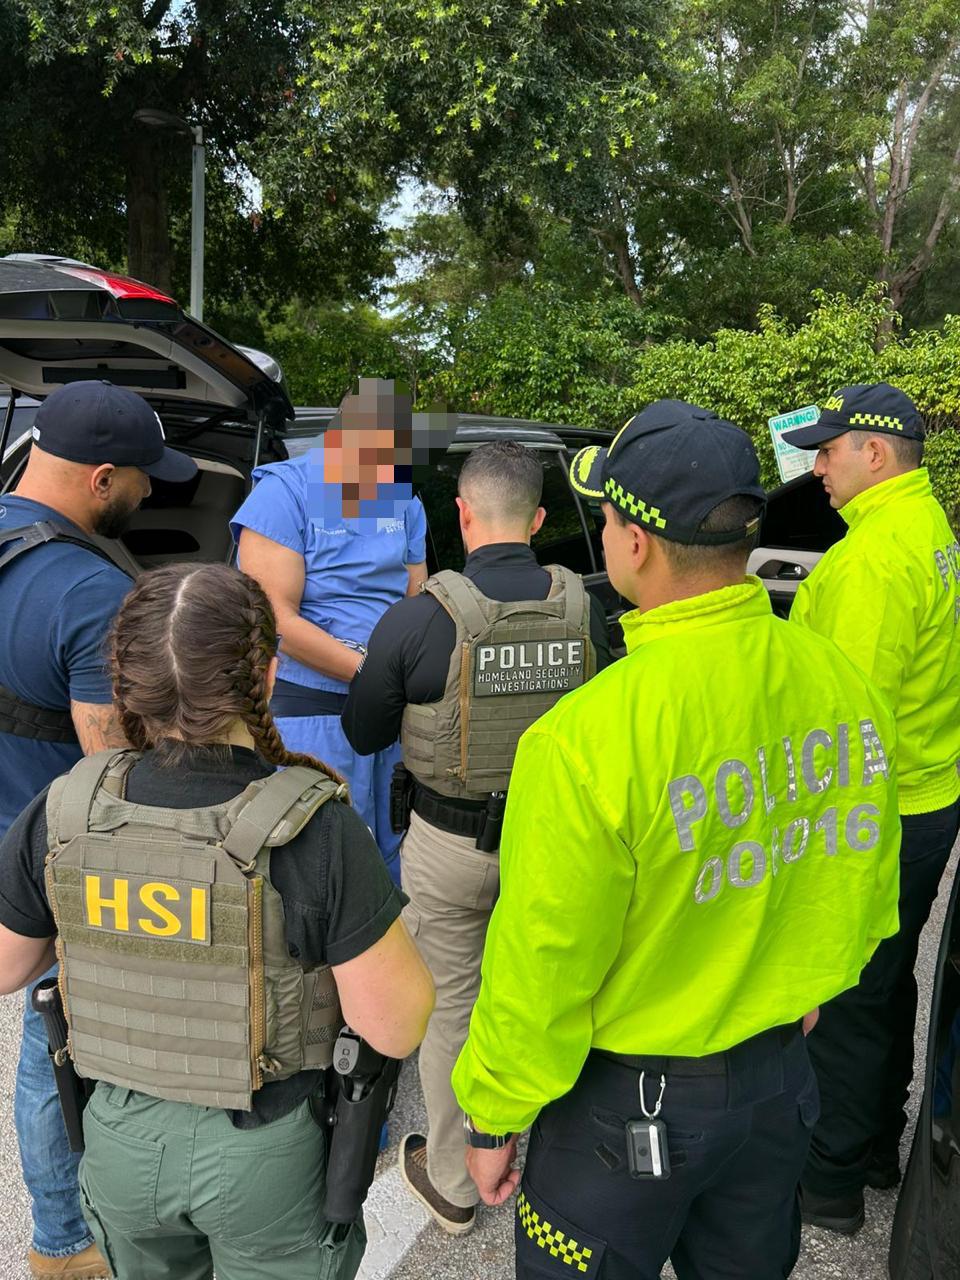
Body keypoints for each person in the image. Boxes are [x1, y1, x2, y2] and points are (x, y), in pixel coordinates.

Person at [451, 400, 902, 1280]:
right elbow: (865, 868)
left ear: (635, 542)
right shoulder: (836, 677)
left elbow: (542, 963)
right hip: (780, 1091)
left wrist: (495, 1118)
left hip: (624, 1113)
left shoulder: (586, 738)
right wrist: (805, 988)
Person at [0, 562, 435, 1280]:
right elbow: (394, 1025)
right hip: (264, 1155)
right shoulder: (312, 829)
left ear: (125, 680)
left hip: (119, 1143)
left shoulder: (66, 808)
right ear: (265, 676)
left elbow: (10, 967)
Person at [341, 440, 613, 1235]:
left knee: (453, 1008)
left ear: (459, 515)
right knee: (567, 990)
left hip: (453, 849)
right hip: (565, 846)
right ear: (537, 518)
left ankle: (456, 1181)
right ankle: (573, 1163)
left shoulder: (419, 617)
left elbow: (362, 734)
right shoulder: (587, 606)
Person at [0, 380, 196, 1280]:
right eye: (143, 481)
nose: (152, 494)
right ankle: (68, 1245)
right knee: (62, 1037)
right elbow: (112, 775)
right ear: (101, 478)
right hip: (52, 853)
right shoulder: (88, 588)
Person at [780, 382, 960, 1233]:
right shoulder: (922, 526)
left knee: (845, 994)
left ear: (875, 452)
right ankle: (879, 1147)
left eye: (828, 449)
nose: (815, 466)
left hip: (877, 811)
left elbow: (845, 729)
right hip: (926, 798)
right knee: (885, 983)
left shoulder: (872, 562)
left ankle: (829, 1183)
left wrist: (812, 838)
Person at [231, 379, 427, 885]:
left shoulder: (403, 501)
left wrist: (396, 681)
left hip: (390, 718)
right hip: (311, 716)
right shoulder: (284, 493)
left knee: (392, 861)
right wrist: (371, 672)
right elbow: (273, 618)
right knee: (318, 865)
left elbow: (416, 601)